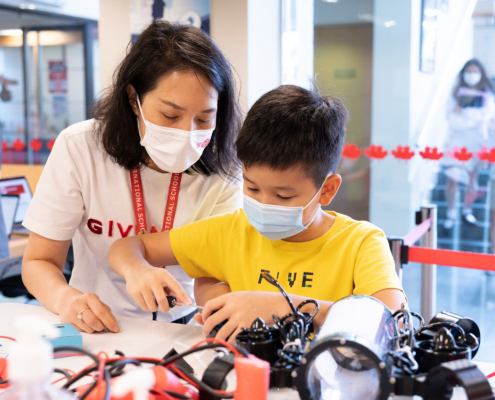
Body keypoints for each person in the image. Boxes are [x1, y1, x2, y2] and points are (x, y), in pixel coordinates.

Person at [109, 85, 406, 342]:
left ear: (327, 190)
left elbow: (389, 321)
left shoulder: (361, 243)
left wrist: (283, 306)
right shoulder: (231, 232)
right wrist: (138, 270)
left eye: (283, 195)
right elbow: (128, 247)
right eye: (251, 189)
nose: (264, 204)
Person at [21, 21, 242, 333]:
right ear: (132, 99)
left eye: (204, 118)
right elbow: (38, 262)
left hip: (184, 326)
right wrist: (65, 299)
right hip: (92, 321)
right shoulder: (80, 146)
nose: (187, 133)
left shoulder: (226, 172)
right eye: (170, 115)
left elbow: (216, 272)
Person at [443, 59, 495, 229]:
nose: (472, 75)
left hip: (478, 142)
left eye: (475, 71)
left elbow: (486, 116)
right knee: (453, 178)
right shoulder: (456, 93)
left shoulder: (487, 94)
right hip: (457, 142)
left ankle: (467, 209)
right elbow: (452, 120)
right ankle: (450, 212)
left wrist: (464, 113)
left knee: (472, 178)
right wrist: (473, 117)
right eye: (469, 71)